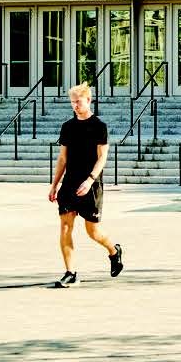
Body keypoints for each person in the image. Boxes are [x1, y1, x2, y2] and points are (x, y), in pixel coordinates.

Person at [47, 83, 124, 288]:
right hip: (70, 184)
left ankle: (114, 251)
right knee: (65, 227)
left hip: (91, 184)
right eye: (72, 102)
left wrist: (90, 180)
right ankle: (70, 273)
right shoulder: (68, 127)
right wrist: (54, 185)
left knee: (93, 232)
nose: (75, 105)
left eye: (78, 101)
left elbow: (102, 157)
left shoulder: (99, 126)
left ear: (88, 100)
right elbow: (62, 159)